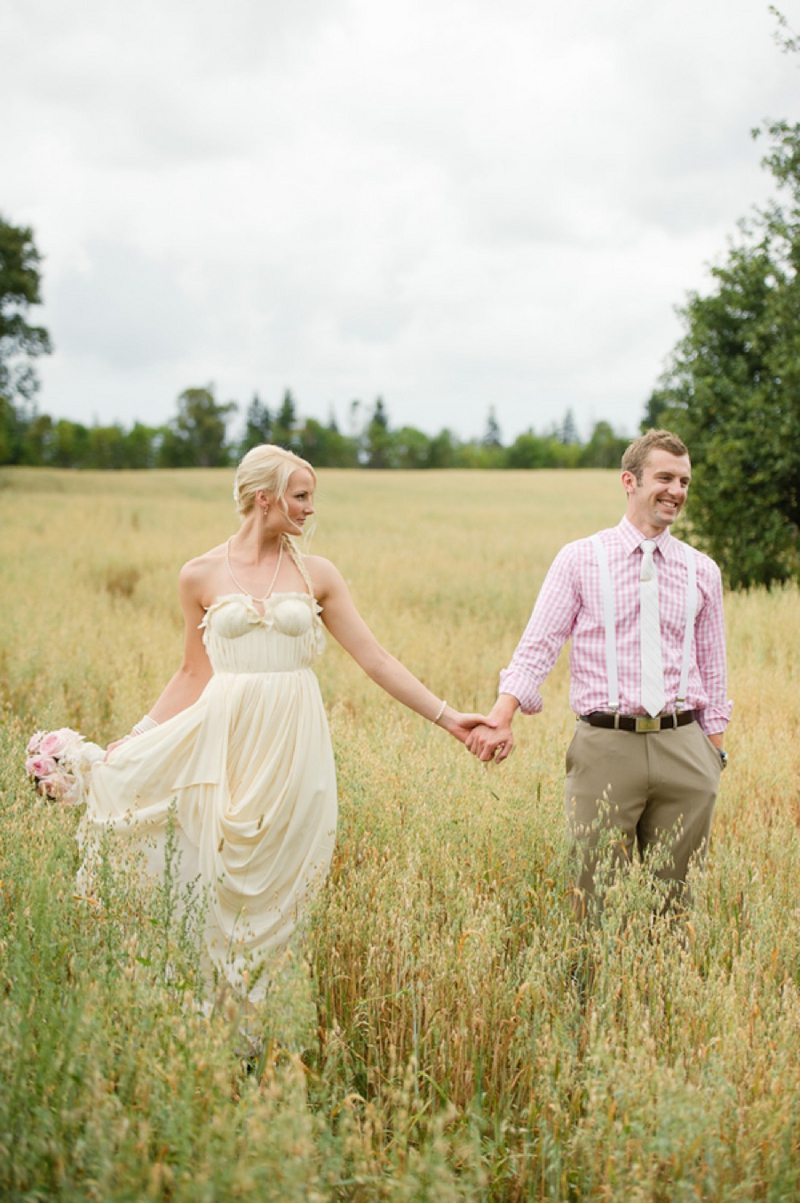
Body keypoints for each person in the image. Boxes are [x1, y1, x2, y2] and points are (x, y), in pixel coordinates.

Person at [79, 444, 491, 993]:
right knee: (215, 875)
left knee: (279, 884)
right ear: (263, 498)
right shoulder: (198, 575)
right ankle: (211, 1016)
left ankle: (266, 1021)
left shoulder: (317, 574)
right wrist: (132, 742)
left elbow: (376, 658)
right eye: (301, 496)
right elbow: (189, 673)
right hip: (223, 743)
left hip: (295, 744)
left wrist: (449, 718)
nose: (310, 509)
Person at [466, 429, 731, 914]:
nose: (677, 491)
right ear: (629, 480)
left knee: (676, 905)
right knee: (593, 898)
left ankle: (659, 990)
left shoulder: (702, 570)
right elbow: (538, 645)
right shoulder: (580, 559)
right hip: (606, 747)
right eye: (665, 478)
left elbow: (714, 670)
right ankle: (593, 988)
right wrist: (502, 714)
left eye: (685, 481)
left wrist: (712, 756)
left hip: (684, 747)